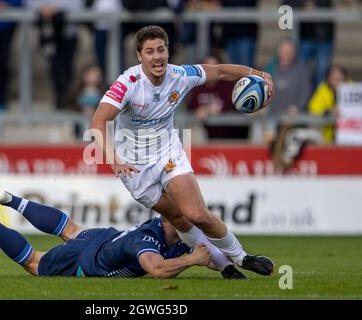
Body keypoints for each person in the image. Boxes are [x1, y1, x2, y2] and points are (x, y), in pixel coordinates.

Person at [89, 25, 276, 275]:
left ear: (168, 52)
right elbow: (97, 124)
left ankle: (242, 257)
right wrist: (114, 161)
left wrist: (260, 74)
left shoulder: (180, 74)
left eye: (161, 50)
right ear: (139, 56)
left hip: (168, 153)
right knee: (178, 219)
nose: (157, 56)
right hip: (134, 167)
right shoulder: (128, 83)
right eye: (149, 51)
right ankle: (224, 267)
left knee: (196, 214)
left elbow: (220, 72)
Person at [0, 188, 248, 279]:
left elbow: (210, 253)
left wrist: (233, 266)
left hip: (101, 237)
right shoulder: (150, 240)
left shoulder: (179, 237)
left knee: (69, 228)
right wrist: (194, 261)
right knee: (33, 263)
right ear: (168, 219)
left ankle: (10, 199)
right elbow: (156, 270)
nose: (189, 224)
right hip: (86, 258)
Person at [186, 54, 248, 140]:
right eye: (208, 68)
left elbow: (235, 108)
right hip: (205, 134)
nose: (211, 72)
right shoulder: (197, 87)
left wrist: (215, 110)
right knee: (189, 134)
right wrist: (203, 110)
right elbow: (190, 109)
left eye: (214, 68)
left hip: (228, 135)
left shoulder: (228, 85)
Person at [265, 37, 311, 116]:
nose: (286, 54)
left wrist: (298, 107)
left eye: (289, 52)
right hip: (271, 113)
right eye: (283, 51)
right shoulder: (269, 69)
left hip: (293, 114)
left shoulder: (302, 70)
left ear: (294, 53)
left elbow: (306, 92)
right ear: (278, 52)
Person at [308, 64, 349, 144]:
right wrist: (328, 110)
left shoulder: (353, 90)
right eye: (334, 79)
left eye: (339, 79)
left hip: (349, 135)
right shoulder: (323, 90)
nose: (336, 82)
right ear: (328, 79)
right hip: (327, 134)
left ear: (345, 78)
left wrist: (345, 111)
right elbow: (313, 107)